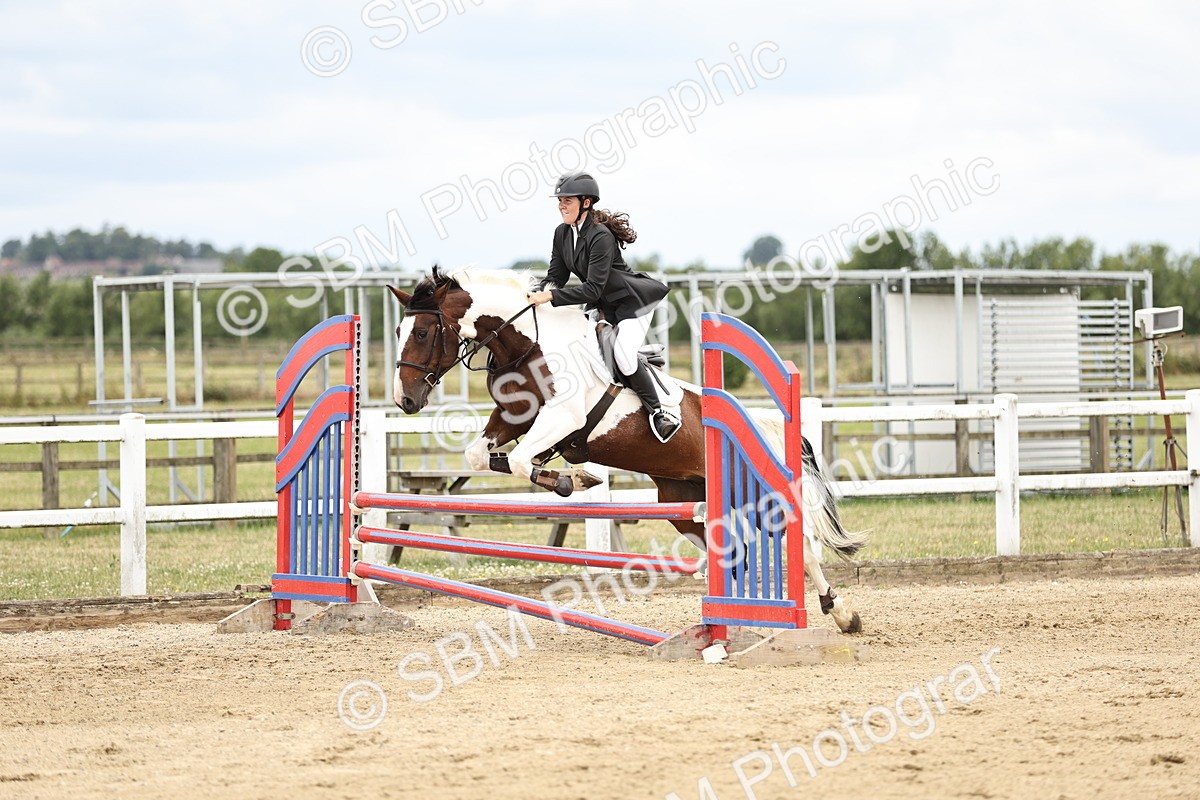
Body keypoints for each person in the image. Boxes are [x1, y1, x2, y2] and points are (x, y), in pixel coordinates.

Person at [526, 171, 682, 443]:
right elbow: (556, 276)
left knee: (622, 354)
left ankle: (658, 412)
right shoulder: (562, 233)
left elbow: (593, 288)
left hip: (632, 303)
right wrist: (536, 290)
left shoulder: (601, 236)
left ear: (586, 202)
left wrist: (551, 298)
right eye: (560, 200)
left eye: (567, 200)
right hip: (603, 305)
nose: (561, 205)